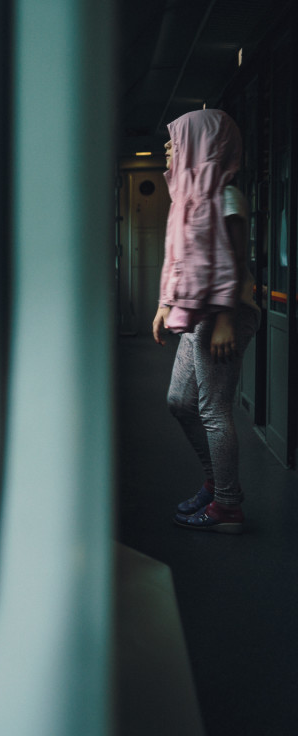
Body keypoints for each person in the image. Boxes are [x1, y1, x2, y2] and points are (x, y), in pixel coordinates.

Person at [151, 108, 260, 534]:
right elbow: (180, 260)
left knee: (214, 410)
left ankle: (227, 505)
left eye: (175, 143)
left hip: (224, 315)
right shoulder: (188, 201)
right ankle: (215, 483)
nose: (168, 149)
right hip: (196, 312)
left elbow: (232, 264)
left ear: (202, 147)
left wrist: (226, 321)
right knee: (180, 402)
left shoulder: (225, 198)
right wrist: (165, 303)